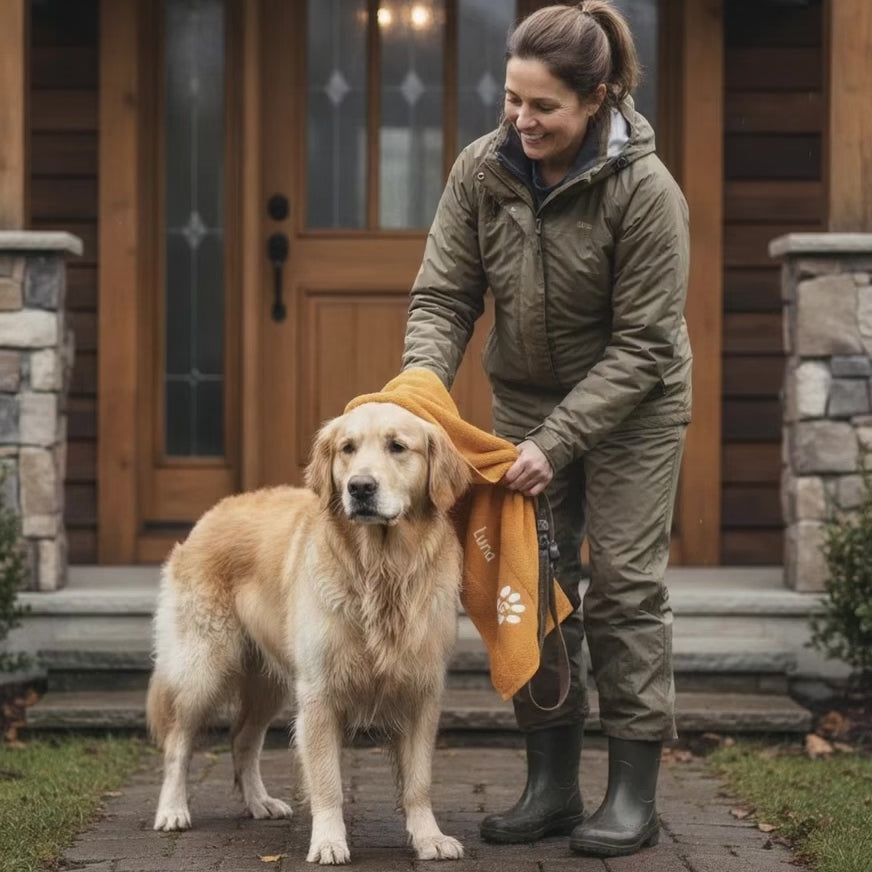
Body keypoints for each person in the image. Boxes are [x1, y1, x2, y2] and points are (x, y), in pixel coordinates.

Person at [401, 0, 692, 858]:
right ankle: (552, 787)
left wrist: (556, 444)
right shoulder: (482, 170)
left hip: (635, 406)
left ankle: (632, 794)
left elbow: (644, 345)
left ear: (597, 97)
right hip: (526, 399)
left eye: (543, 107)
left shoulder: (646, 192)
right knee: (528, 583)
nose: (520, 121)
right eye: (511, 99)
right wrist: (419, 388)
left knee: (628, 589)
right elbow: (445, 295)